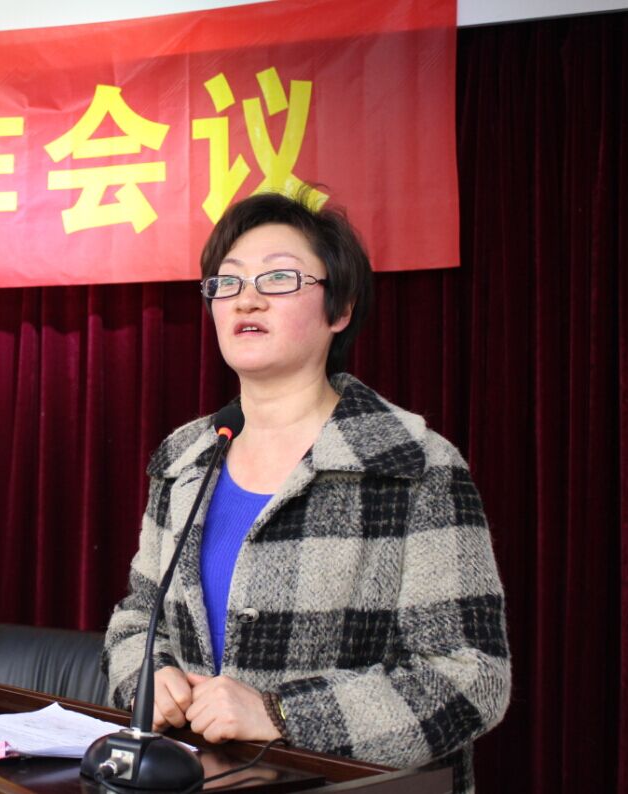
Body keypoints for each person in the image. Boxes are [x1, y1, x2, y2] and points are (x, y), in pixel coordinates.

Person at [102, 190, 510, 793]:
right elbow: (137, 619)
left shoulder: (411, 463)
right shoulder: (186, 459)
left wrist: (281, 715)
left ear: (339, 308)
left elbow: (471, 678)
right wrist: (150, 675)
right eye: (228, 282)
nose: (247, 298)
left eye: (279, 277)